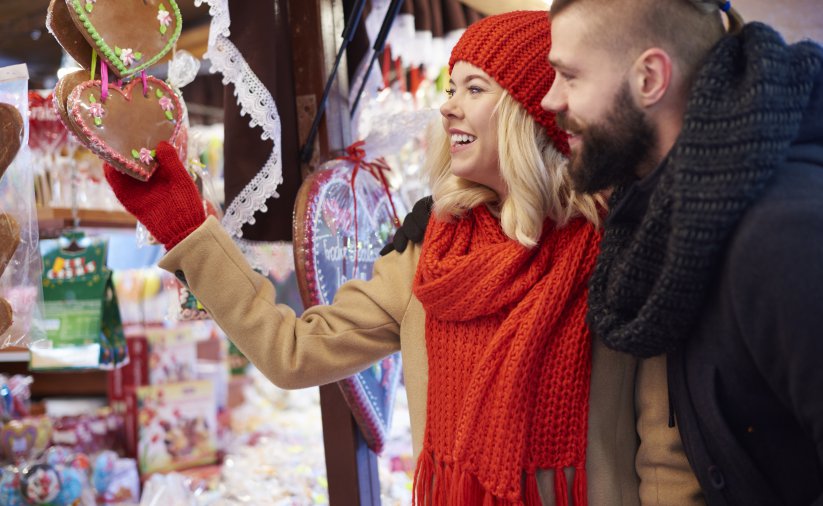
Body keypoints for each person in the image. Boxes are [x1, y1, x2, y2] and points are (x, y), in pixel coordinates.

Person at [104, 11, 698, 505]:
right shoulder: (431, 253)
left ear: (529, 111)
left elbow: (668, 460)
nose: (448, 108)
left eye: (474, 88)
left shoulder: (619, 246)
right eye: (449, 88)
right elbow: (291, 352)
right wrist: (190, 230)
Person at [541, 0, 823, 504]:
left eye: (569, 76)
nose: (549, 99)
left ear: (649, 77)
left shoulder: (782, 237)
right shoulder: (667, 219)